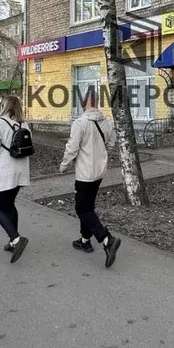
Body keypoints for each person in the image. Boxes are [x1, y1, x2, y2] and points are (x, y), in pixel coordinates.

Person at [60, 91, 122, 268]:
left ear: (84, 103)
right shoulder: (106, 123)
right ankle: (85, 240)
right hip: (99, 172)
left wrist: (64, 164)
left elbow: (72, 147)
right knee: (88, 207)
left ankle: (107, 239)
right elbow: (111, 144)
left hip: (85, 173)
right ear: (97, 103)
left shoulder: (80, 123)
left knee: (81, 208)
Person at [0, 96, 32, 263]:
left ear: (4, 106)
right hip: (21, 170)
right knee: (9, 205)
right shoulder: (23, 124)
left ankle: (17, 239)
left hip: (5, 171)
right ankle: (12, 241)